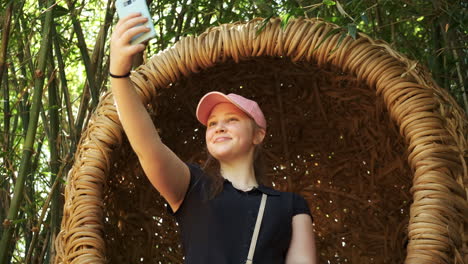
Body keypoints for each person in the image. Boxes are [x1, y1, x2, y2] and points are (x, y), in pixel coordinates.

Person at [110, 12, 317, 264]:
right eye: (212, 123)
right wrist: (119, 76)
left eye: (232, 120)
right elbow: (147, 147)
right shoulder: (193, 186)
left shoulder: (290, 205)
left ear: (258, 135)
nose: (219, 128)